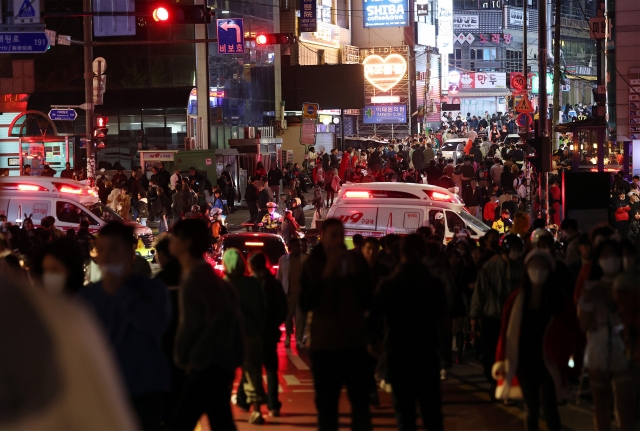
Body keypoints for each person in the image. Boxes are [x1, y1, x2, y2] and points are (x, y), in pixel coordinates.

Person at [78, 222, 171, 430]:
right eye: (100, 249)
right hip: (101, 392)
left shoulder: (151, 290)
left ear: (130, 254)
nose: (106, 256)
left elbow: (156, 325)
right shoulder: (87, 297)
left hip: (144, 391)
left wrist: (120, 291)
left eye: (114, 249)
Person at [169, 219, 244, 431]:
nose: (170, 241)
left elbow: (196, 324)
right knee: (221, 420)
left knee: (180, 422)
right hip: (216, 365)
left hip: (206, 367)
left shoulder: (196, 278)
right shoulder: (203, 275)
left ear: (186, 242)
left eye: (175, 237)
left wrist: (188, 357)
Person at [300, 218, 373, 431]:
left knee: (361, 406)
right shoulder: (312, 264)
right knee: (327, 407)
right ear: (323, 237)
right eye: (334, 236)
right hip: (325, 345)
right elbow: (305, 303)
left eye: (342, 235)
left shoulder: (357, 263)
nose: (339, 241)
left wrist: (354, 275)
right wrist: (326, 274)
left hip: (354, 343)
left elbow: (369, 300)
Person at [493, 250, 579, 430]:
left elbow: (571, 329)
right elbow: (506, 332)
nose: (537, 271)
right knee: (532, 409)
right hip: (525, 361)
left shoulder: (558, 299)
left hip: (549, 361)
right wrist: (502, 362)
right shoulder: (516, 300)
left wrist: (569, 358)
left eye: (542, 267)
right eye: (534, 267)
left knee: (550, 407)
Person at [370, 235, 446, 430]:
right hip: (427, 353)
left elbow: (373, 320)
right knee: (432, 415)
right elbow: (442, 319)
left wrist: (376, 346)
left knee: (405, 416)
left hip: (398, 353)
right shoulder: (434, 284)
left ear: (401, 253)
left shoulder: (389, 284)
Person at [577, 239, 638, 431]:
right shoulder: (591, 287)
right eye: (604, 256)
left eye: (614, 255)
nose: (610, 260)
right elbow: (584, 325)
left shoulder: (630, 285)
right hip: (598, 348)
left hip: (626, 347)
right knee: (601, 407)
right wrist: (589, 300)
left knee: (626, 407)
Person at [470, 233, 525, 398]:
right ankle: (494, 382)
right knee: (491, 355)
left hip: (514, 319)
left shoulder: (521, 268)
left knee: (513, 355)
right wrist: (474, 317)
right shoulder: (490, 267)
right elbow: (480, 293)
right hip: (492, 318)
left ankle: (508, 386)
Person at [223, 248, 268, 424]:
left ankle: (223, 412)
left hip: (228, 338)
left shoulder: (224, 285)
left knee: (225, 376)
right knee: (253, 373)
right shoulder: (253, 284)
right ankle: (257, 410)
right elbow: (263, 308)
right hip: (251, 335)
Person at [247, 251, 288, 417]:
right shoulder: (275, 283)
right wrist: (274, 324)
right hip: (270, 332)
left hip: (254, 332)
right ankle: (273, 405)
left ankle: (252, 402)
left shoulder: (250, 284)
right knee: (271, 370)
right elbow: (283, 308)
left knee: (252, 369)